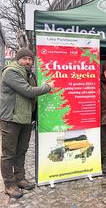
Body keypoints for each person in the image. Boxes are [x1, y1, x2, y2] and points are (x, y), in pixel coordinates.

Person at [0, 48, 54, 199]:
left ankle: (20, 179)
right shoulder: (11, 72)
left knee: (21, 151)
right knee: (8, 154)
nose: (28, 61)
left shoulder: (29, 74)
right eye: (24, 58)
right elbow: (28, 91)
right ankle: (9, 185)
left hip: (25, 119)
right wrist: (47, 87)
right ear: (18, 59)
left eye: (30, 59)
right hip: (11, 118)